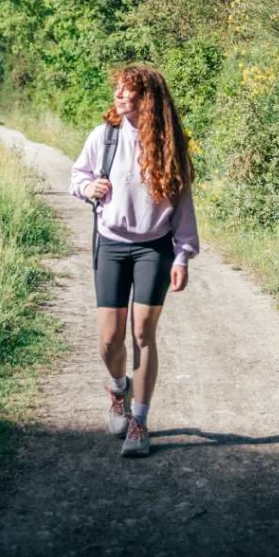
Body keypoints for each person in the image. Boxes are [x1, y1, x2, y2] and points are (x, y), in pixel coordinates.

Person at [69, 64, 199, 457]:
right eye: (119, 91)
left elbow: (183, 205)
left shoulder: (171, 142)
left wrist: (183, 255)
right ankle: (117, 388)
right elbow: (75, 178)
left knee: (143, 333)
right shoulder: (103, 136)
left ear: (150, 100)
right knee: (110, 339)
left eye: (131, 92)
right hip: (110, 244)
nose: (122, 97)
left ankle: (139, 423)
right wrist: (89, 186)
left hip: (154, 248)